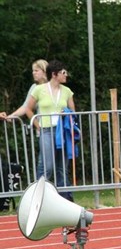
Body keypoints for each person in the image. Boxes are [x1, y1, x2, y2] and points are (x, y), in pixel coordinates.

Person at [24, 60, 75, 200]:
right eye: (63, 73)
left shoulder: (67, 91)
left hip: (62, 132)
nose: (66, 75)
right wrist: (37, 125)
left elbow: (73, 110)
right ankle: (40, 198)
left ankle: (65, 198)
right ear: (54, 74)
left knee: (62, 167)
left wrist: (68, 114)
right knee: (47, 166)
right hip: (46, 130)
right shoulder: (39, 89)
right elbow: (28, 108)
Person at [0, 59, 48, 125]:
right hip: (42, 128)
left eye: (36, 70)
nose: (33, 73)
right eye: (33, 71)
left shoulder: (54, 86)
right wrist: (11, 116)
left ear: (45, 72)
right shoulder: (34, 87)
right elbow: (25, 106)